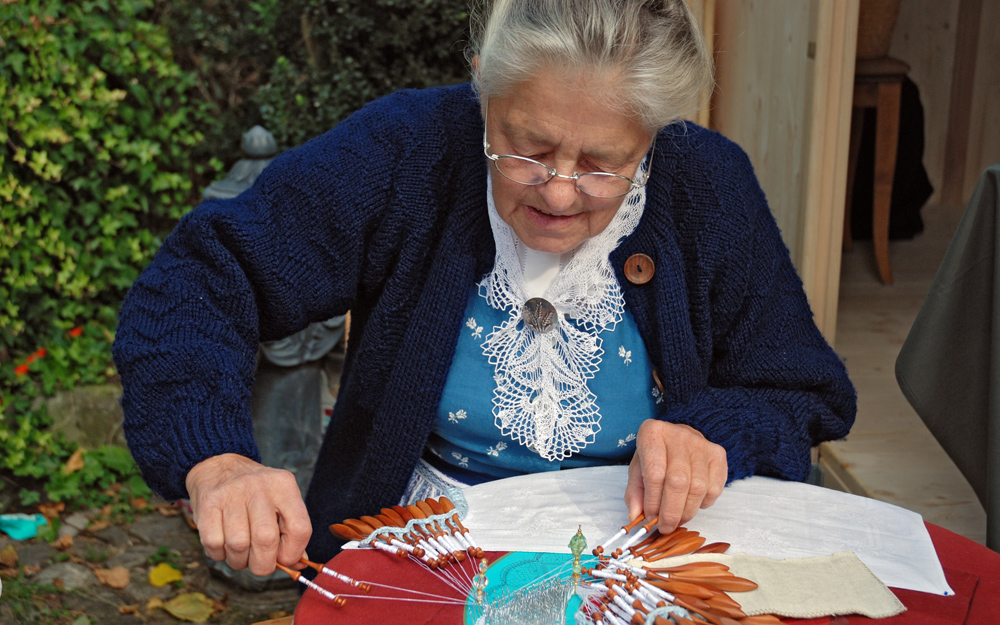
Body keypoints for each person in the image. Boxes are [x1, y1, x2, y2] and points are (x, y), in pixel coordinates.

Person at [113, 0, 856, 578]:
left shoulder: (706, 182)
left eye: (602, 163)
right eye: (527, 147)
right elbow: (204, 277)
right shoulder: (408, 148)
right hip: (426, 558)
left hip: (650, 563)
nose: (560, 194)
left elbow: (796, 389)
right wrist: (216, 458)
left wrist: (712, 434)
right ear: (482, 84)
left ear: (655, 137)